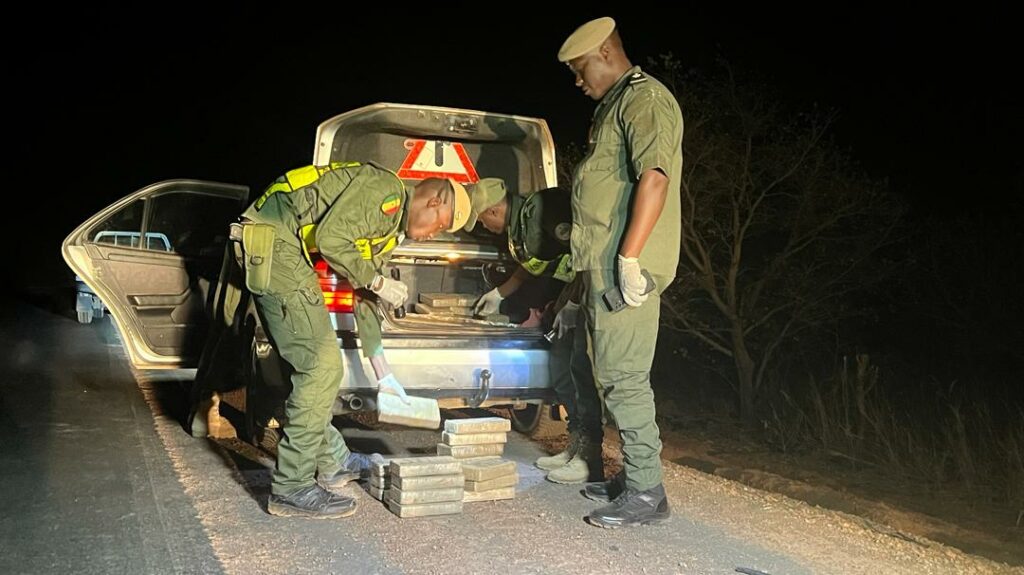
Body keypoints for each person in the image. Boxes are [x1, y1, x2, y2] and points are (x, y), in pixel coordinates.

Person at [237, 161, 471, 518]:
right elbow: (332, 239)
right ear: (434, 202)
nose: (432, 235)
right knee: (321, 366)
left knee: (311, 368)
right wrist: (377, 281)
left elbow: (362, 297)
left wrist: (384, 374)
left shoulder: (388, 231)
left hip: (276, 244)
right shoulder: (387, 191)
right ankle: (291, 486)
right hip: (275, 239)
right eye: (439, 225)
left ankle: (333, 462)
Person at [556, 16, 684, 528]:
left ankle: (648, 491)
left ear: (606, 52)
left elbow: (655, 179)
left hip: (624, 268)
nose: (578, 80)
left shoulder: (644, 99)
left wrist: (630, 258)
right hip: (603, 266)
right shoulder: (613, 107)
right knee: (603, 373)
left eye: (580, 68)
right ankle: (631, 479)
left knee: (624, 378)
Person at [466, 178, 603, 484]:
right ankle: (575, 448)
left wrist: (575, 302)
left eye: (481, 220)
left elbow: (585, 253)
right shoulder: (523, 225)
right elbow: (537, 263)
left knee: (580, 373)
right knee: (563, 371)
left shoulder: (544, 209)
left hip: (584, 296)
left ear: (491, 211)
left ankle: (589, 457)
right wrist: (501, 293)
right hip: (566, 298)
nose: (484, 228)